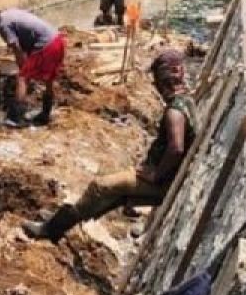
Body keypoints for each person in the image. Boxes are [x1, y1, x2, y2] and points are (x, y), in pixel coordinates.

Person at [21, 49, 194, 242]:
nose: (156, 86)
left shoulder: (174, 113)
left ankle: (50, 229)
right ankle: (61, 221)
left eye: (157, 81)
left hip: (163, 181)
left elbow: (176, 148)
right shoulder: (186, 101)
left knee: (100, 186)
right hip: (166, 177)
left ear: (164, 81)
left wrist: (156, 174)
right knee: (114, 195)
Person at [0, 6, 66, 128]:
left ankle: (15, 119)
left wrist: (23, 68)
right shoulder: (7, 14)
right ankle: (45, 113)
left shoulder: (3, 26)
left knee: (22, 78)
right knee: (48, 79)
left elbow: (17, 48)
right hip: (57, 40)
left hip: (46, 44)